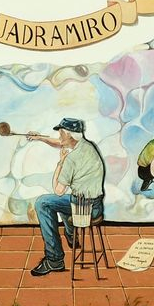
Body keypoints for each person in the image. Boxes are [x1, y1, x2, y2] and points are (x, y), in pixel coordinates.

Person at [26, 118, 106, 276]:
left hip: (84, 210)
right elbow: (60, 142)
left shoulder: (71, 159)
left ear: (70, 135)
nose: (59, 135)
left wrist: (60, 163)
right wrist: (39, 137)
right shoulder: (88, 146)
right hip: (96, 206)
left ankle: (54, 259)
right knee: (66, 201)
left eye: (61, 132)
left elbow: (58, 190)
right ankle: (70, 235)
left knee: (43, 203)